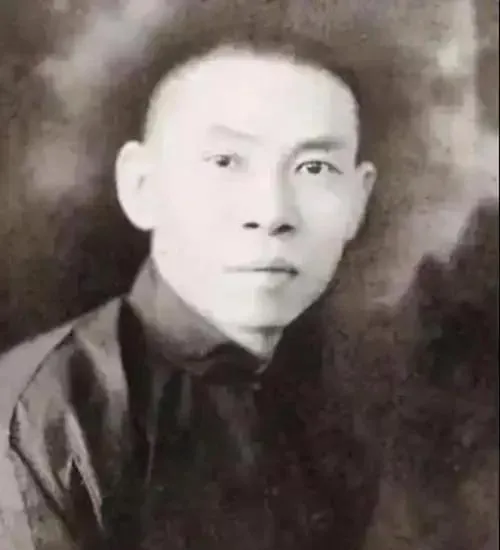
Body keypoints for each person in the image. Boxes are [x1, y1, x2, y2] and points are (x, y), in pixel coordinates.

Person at [0, 21, 380, 550]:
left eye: (314, 168)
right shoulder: (36, 421)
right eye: (226, 161)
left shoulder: (337, 409)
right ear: (142, 186)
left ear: (359, 201)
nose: (272, 212)